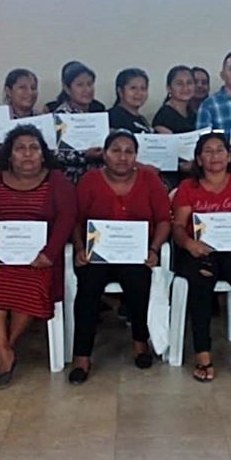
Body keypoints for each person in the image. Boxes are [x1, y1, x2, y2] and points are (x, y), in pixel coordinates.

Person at [0, 125, 76, 389]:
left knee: (32, 283)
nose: (27, 154)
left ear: (43, 154)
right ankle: (4, 350)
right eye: (20, 148)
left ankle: (4, 347)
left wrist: (49, 254)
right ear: (9, 154)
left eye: (34, 148)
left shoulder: (57, 181)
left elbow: (67, 219)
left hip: (39, 260)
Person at [67, 130, 171, 384]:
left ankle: (140, 342)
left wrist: (154, 249)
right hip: (97, 255)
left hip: (136, 254)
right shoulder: (90, 180)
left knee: (138, 282)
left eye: (128, 152)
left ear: (136, 155)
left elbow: (163, 220)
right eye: (116, 150)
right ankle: (82, 356)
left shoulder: (149, 179)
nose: (122, 157)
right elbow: (76, 220)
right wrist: (79, 248)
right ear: (104, 154)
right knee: (88, 289)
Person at [171, 132, 231, 382]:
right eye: (208, 151)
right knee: (201, 282)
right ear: (198, 159)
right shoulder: (188, 187)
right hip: (200, 251)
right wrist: (189, 243)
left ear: (229, 156)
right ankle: (203, 353)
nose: (214, 156)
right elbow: (178, 226)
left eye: (220, 150)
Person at [52, 61, 104, 184]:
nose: (87, 89)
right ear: (67, 88)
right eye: (80, 85)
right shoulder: (61, 115)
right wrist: (84, 155)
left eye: (90, 84)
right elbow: (57, 154)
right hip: (71, 181)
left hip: (97, 179)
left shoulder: (98, 113)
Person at [153, 65, 197, 134]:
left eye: (189, 83)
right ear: (169, 88)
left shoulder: (193, 114)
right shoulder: (164, 116)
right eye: (179, 83)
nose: (185, 88)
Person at [107, 68, 153, 134]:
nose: (139, 93)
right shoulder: (110, 117)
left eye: (143, 88)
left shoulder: (142, 120)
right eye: (133, 88)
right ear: (120, 91)